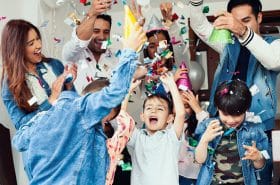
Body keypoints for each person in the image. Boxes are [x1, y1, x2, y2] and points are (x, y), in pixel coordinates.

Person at [12, 24, 147, 185]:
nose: (103, 124)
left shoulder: (47, 118)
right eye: (103, 116)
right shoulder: (82, 111)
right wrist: (130, 51)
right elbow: (114, 93)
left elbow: (19, 141)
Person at [189, 1, 280, 182]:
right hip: (221, 126)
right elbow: (199, 25)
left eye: (246, 20)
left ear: (259, 17)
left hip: (258, 129)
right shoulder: (228, 45)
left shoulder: (274, 45)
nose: (239, 26)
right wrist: (195, 2)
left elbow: (273, 61)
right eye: (235, 22)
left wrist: (243, 31)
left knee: (258, 178)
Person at [1, 19, 77, 130]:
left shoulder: (55, 65)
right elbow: (21, 125)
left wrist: (69, 85)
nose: (38, 45)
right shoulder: (9, 85)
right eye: (31, 43)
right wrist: (51, 100)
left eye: (37, 39)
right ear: (17, 49)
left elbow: (74, 105)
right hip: (43, 145)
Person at [195, 80, 269, 185]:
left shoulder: (255, 131)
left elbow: (262, 167)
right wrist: (204, 140)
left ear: (246, 109)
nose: (231, 120)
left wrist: (258, 158)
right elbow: (199, 160)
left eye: (236, 115)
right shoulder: (208, 126)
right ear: (217, 108)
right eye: (225, 114)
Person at [126, 72, 185, 185]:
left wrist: (172, 84)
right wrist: (128, 91)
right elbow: (122, 116)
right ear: (142, 116)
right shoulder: (137, 137)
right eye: (149, 108)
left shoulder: (170, 138)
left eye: (160, 109)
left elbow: (181, 114)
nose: (153, 111)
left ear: (169, 118)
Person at [62, 0, 119, 94]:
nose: (101, 37)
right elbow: (79, 40)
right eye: (96, 31)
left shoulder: (116, 57)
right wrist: (92, 13)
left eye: (106, 32)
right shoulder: (72, 54)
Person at [178, 90, 209, 185]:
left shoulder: (198, 126)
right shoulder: (168, 124)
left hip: (195, 176)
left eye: (187, 106)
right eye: (179, 105)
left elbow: (207, 123)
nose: (182, 110)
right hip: (176, 174)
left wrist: (197, 108)